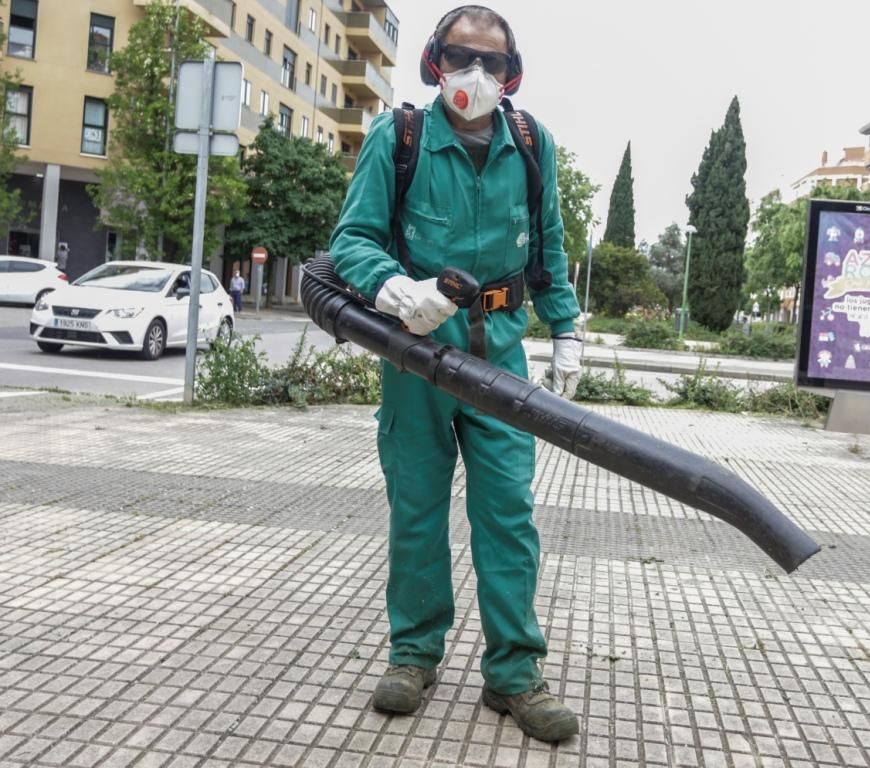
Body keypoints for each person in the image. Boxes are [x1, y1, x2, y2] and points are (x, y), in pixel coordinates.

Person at [330, 5, 582, 744]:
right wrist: (389, 287)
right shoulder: (398, 138)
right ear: (434, 62)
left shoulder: (533, 145)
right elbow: (352, 240)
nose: (476, 74)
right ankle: (414, 654)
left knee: (508, 514)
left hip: (499, 354)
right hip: (417, 355)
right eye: (461, 57)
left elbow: (549, 251)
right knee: (417, 511)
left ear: (512, 74)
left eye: (492, 62)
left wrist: (564, 327)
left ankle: (513, 673)